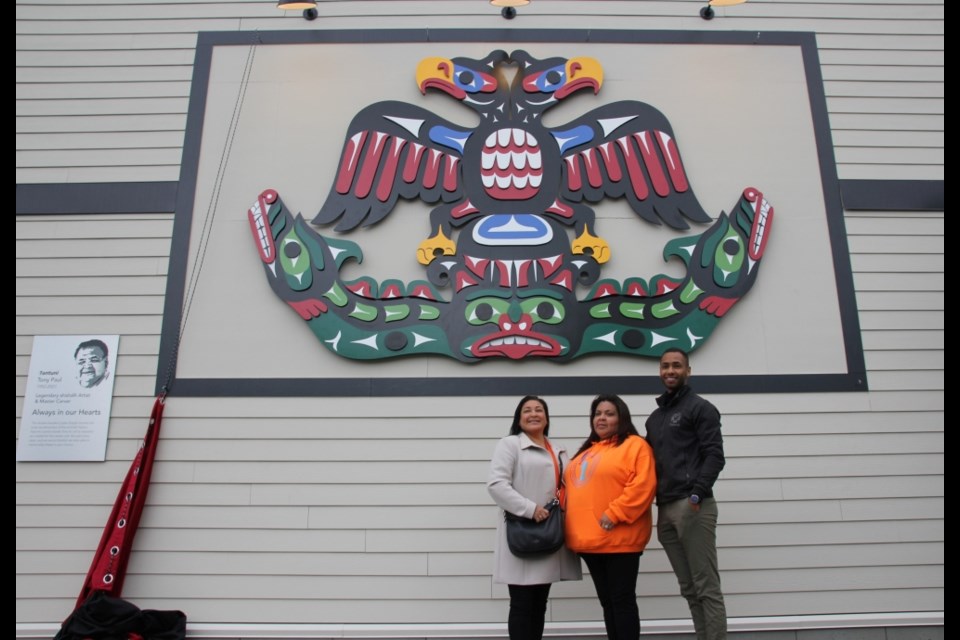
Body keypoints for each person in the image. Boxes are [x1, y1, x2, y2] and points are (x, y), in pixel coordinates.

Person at [645, 348, 727, 640]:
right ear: (660, 371)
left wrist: (697, 494)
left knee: (706, 588)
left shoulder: (700, 408)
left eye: (677, 366)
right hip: (665, 509)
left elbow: (715, 456)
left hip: (693, 506)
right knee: (689, 588)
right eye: (665, 366)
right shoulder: (654, 419)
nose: (670, 371)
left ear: (688, 371)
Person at [488, 395, 582, 640]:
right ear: (519, 420)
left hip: (549, 534)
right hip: (520, 533)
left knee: (540, 603)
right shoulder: (509, 445)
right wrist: (530, 509)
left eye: (539, 410)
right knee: (521, 604)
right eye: (527, 410)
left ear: (547, 418)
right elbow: (497, 485)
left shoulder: (559, 450)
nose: (533, 414)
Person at [564, 394, 657, 640]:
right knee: (608, 603)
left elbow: (643, 485)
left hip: (619, 540)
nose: (601, 418)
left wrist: (615, 513)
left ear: (621, 418)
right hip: (588, 542)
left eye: (609, 413)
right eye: (597, 413)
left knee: (621, 601)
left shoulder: (635, 445)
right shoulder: (586, 451)